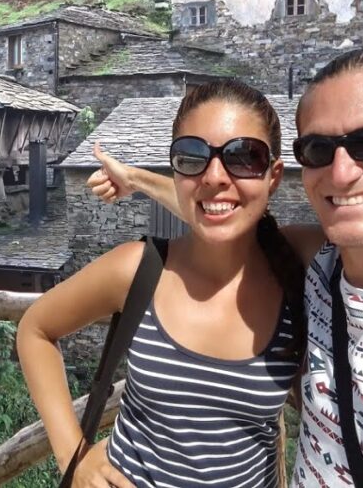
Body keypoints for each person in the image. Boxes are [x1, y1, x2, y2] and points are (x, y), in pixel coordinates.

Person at [88, 49, 363, 486]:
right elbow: (223, 211)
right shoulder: (317, 264)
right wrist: (137, 179)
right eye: (318, 149)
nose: (342, 172)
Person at [17, 79, 306, 488]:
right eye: (192, 157)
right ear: (175, 169)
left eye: (244, 157)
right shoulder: (139, 270)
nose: (215, 176)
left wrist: (136, 179)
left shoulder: (298, 269)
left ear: (274, 176)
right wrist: (72, 456)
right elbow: (35, 329)